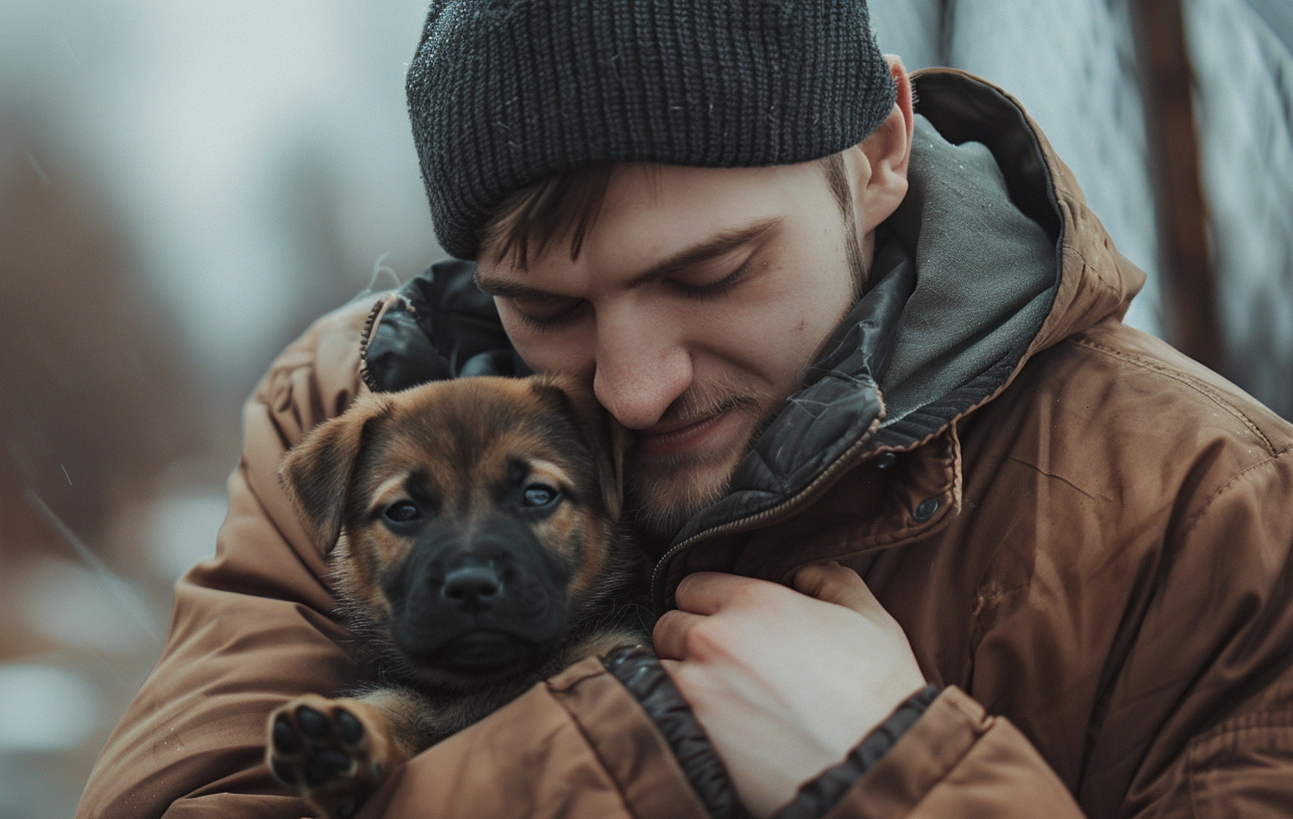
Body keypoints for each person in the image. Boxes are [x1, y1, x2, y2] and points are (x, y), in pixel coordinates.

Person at [77, 1, 1293, 817]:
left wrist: (894, 772)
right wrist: (663, 737)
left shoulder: (1210, 512)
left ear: (876, 152)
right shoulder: (343, 406)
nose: (632, 387)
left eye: (711, 274)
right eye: (543, 307)